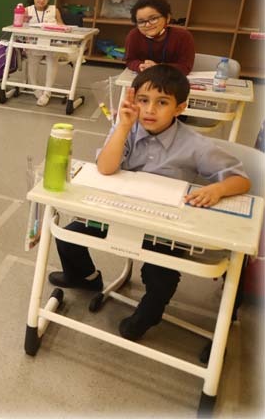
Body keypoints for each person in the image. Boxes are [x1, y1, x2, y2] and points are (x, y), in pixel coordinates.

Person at [48, 65, 250, 341]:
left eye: (162, 103)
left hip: (164, 228)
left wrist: (217, 189)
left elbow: (241, 180)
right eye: (143, 100)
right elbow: (106, 168)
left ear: (180, 108)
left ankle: (150, 313)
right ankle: (84, 277)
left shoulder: (195, 145)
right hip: (120, 214)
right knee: (68, 235)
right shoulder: (127, 130)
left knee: (159, 273)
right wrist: (122, 127)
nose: (150, 110)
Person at [124, 0, 195, 75]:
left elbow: (185, 67)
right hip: (145, 77)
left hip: (172, 79)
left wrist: (158, 68)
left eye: (153, 19)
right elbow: (130, 60)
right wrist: (140, 66)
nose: (147, 25)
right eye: (141, 22)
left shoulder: (183, 36)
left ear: (167, 18)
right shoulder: (134, 35)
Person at [24, 0, 64, 106]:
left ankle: (47, 92)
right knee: (32, 60)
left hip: (52, 44)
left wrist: (59, 28)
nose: (42, 0)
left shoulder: (54, 10)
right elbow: (21, 28)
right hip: (33, 44)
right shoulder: (27, 10)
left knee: (53, 58)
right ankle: (35, 89)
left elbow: (62, 26)